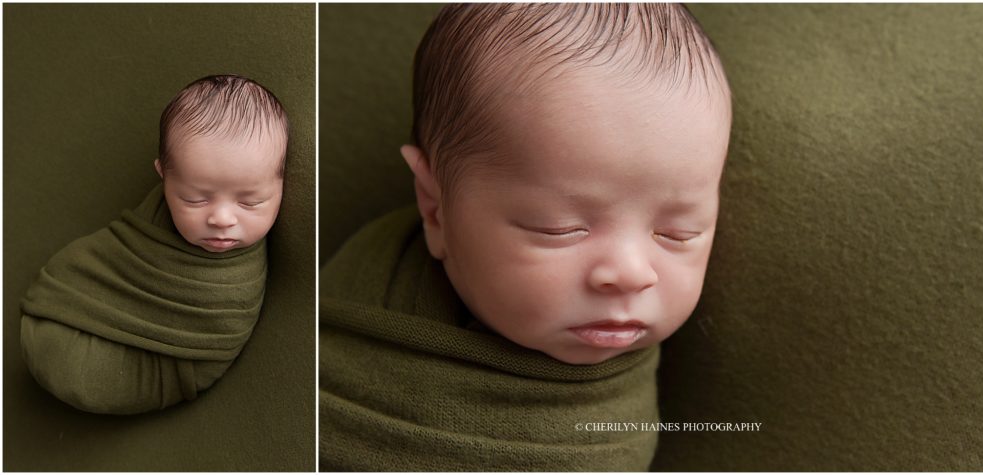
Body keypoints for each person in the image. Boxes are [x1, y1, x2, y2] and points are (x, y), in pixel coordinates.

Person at [320, 4, 731, 470]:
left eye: (678, 233)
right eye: (559, 228)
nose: (632, 274)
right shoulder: (366, 306)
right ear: (435, 209)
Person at [21, 75, 289, 414]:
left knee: (75, 369)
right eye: (194, 199)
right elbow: (114, 255)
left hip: (171, 361)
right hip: (73, 307)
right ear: (163, 176)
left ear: (282, 183)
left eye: (250, 202)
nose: (222, 219)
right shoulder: (157, 214)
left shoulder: (234, 280)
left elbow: (220, 330)